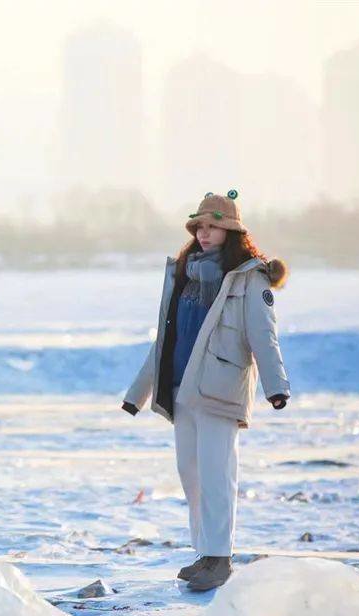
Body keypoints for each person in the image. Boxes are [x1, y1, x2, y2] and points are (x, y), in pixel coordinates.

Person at [122, 190, 290, 591]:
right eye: (199, 226)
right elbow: (164, 340)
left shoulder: (248, 277)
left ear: (230, 231)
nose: (203, 233)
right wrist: (137, 393)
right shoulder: (183, 273)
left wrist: (276, 386)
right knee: (190, 473)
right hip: (181, 388)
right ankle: (204, 553)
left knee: (217, 473)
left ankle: (220, 558)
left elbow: (263, 336)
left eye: (212, 226)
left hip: (221, 389)